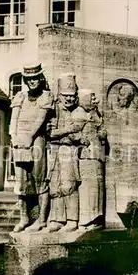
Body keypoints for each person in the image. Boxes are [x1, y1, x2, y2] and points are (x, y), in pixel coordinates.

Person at [9, 62, 54, 233]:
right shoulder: (20, 96)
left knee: (40, 178)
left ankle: (42, 220)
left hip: (36, 140)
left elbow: (40, 119)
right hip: (20, 140)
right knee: (20, 182)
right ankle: (23, 218)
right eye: (29, 79)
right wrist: (14, 136)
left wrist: (29, 137)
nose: (32, 81)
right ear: (25, 80)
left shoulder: (46, 97)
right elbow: (14, 119)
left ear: (40, 78)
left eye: (35, 78)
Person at [42, 73, 90, 233]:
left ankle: (72, 220)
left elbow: (77, 134)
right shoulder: (53, 110)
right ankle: (56, 219)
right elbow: (50, 133)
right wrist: (67, 130)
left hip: (69, 150)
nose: (69, 99)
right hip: (54, 150)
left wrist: (62, 132)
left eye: (72, 96)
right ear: (59, 95)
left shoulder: (79, 111)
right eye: (65, 96)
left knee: (69, 185)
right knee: (54, 186)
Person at [77, 89, 107, 231]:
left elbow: (102, 132)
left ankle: (95, 218)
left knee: (97, 187)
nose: (96, 101)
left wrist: (101, 132)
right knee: (87, 188)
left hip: (97, 156)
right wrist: (81, 139)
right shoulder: (78, 113)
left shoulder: (95, 114)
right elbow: (73, 132)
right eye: (92, 98)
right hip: (85, 156)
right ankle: (85, 220)